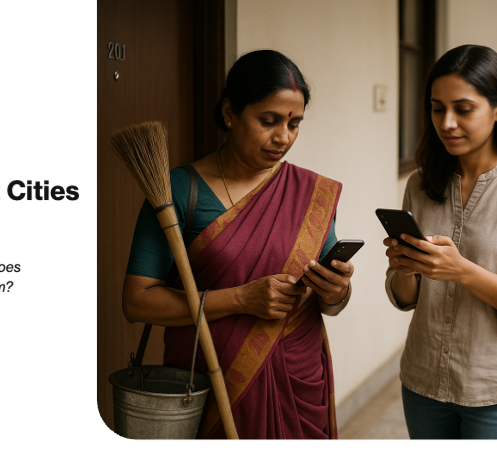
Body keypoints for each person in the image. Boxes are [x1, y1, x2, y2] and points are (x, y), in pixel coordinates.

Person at [122, 50, 352, 439]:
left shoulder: (309, 194)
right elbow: (137, 301)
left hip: (297, 385)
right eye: (269, 121)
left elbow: (329, 302)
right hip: (209, 384)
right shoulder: (178, 191)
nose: (283, 136)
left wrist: (337, 292)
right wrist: (241, 299)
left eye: (295, 124)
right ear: (230, 113)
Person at [383, 44, 497, 439]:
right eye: (438, 108)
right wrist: (404, 268)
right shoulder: (421, 183)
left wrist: (462, 271)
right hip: (423, 384)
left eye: (463, 109)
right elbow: (406, 297)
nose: (447, 122)